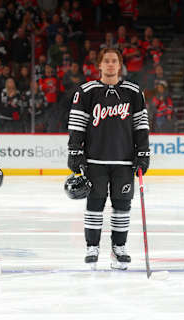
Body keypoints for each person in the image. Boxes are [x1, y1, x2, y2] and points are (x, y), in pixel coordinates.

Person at [67, 48, 150, 270]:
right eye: (107, 61)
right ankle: (92, 247)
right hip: (95, 160)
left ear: (120, 65)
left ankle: (118, 248)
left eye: (115, 61)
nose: (111, 65)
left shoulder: (133, 92)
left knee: (122, 206)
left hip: (124, 160)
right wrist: (75, 151)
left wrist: (143, 152)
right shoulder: (87, 91)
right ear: (100, 65)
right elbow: (77, 125)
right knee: (94, 204)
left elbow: (141, 125)